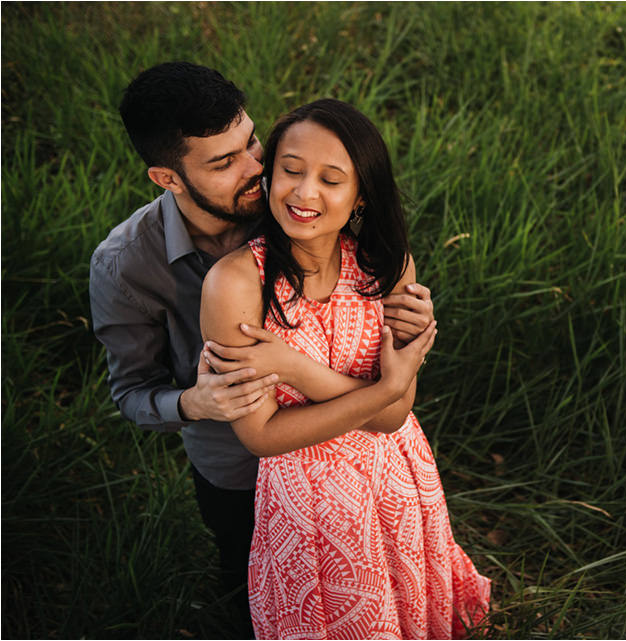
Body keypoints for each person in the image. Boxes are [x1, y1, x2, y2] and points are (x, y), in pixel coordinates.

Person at [88, 62, 436, 626]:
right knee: (256, 599)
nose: (256, 167)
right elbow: (130, 390)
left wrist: (410, 317)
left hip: (361, 457)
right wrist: (191, 404)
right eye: (224, 163)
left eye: (250, 142)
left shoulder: (296, 211)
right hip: (239, 467)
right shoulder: (126, 265)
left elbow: (366, 299)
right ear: (168, 178)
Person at [199, 98, 490, 639]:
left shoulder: (389, 266)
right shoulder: (236, 283)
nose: (304, 193)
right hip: (305, 504)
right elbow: (262, 435)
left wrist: (292, 366)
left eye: (331, 180)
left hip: (397, 478)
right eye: (290, 170)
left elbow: (397, 414)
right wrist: (388, 387)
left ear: (360, 195)